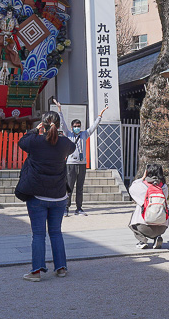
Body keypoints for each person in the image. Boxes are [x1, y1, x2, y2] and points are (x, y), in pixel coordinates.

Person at [15, 111, 76, 282]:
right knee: (56, 232)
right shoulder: (64, 143)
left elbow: (22, 142)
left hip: (38, 195)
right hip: (59, 196)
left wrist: (35, 130)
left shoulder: (35, 141)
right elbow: (72, 147)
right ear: (57, 125)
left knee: (39, 234)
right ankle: (61, 268)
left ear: (42, 124)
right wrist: (61, 133)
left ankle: (36, 271)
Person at [51, 100, 106, 217]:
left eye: (78, 126)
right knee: (69, 187)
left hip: (82, 164)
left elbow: (93, 127)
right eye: (75, 126)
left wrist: (100, 116)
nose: (77, 128)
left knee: (80, 187)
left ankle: (79, 208)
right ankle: (66, 208)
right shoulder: (69, 134)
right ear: (72, 127)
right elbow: (63, 125)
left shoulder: (84, 134)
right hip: (71, 164)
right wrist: (59, 110)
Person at [129, 163, 169, 250]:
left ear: (147, 172)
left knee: (133, 220)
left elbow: (131, 189)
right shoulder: (164, 187)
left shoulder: (141, 185)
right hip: (162, 226)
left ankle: (142, 241)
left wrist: (142, 178)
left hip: (144, 226)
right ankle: (157, 237)